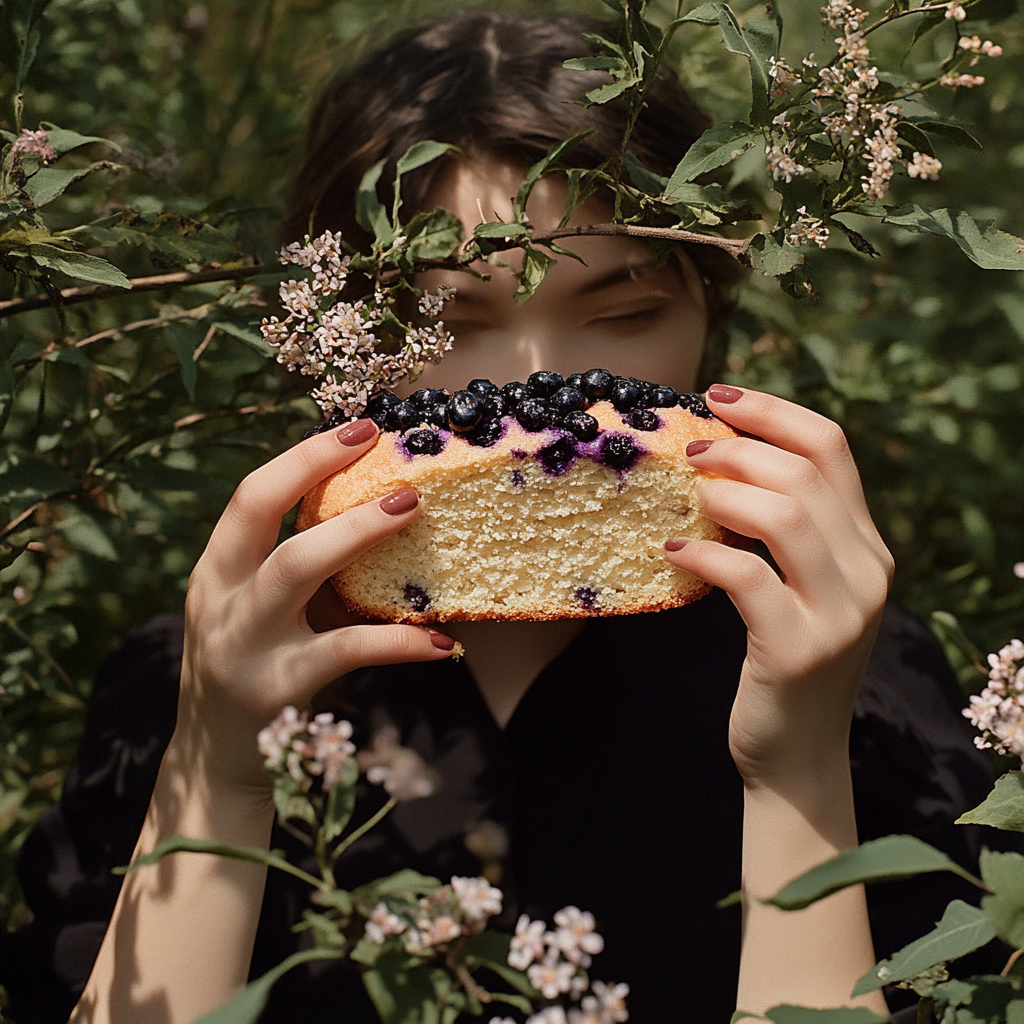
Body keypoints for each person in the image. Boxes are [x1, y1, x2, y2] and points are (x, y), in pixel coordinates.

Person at [0, 14, 1005, 1024]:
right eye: (448, 321)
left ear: (714, 312)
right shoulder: (192, 687)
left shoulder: (856, 680)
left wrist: (798, 778)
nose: (536, 393)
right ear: (330, 338)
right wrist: (216, 774)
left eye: (624, 314)